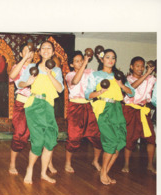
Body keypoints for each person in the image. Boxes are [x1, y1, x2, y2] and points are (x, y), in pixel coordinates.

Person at [85, 49, 135, 185]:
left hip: (117, 109)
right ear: (102, 60)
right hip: (103, 108)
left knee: (119, 144)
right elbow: (87, 95)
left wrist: (121, 85)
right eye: (107, 57)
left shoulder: (118, 75)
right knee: (111, 141)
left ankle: (105, 172)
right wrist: (99, 92)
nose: (110, 60)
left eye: (113, 57)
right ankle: (103, 173)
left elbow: (132, 93)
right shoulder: (95, 75)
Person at [18, 41, 64, 184]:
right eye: (43, 47)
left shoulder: (56, 70)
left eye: (48, 48)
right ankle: (30, 170)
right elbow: (19, 83)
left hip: (48, 105)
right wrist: (27, 82)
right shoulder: (33, 67)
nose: (45, 50)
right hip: (34, 105)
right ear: (39, 51)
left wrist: (50, 75)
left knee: (50, 139)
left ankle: (43, 173)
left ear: (53, 52)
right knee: (37, 141)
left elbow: (60, 89)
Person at [9, 43, 57, 174]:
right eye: (25, 51)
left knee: (46, 134)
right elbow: (13, 77)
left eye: (31, 52)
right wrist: (24, 59)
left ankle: (49, 164)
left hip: (38, 105)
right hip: (22, 104)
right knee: (20, 135)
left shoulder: (39, 66)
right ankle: (12, 164)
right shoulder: (20, 66)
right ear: (20, 54)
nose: (29, 53)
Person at [65, 51, 102, 173]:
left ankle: (95, 161)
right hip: (75, 107)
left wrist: (102, 61)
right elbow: (75, 81)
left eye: (81, 60)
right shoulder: (69, 75)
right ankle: (68, 162)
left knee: (97, 136)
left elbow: (101, 79)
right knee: (74, 137)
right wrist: (85, 63)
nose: (80, 62)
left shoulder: (90, 72)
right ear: (71, 64)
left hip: (89, 105)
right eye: (77, 61)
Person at [121, 57, 156, 174]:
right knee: (130, 138)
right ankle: (126, 164)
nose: (140, 68)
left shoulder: (150, 78)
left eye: (142, 66)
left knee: (151, 139)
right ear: (131, 67)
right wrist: (146, 74)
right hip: (131, 110)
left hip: (144, 110)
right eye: (137, 66)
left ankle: (150, 165)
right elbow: (132, 88)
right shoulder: (128, 79)